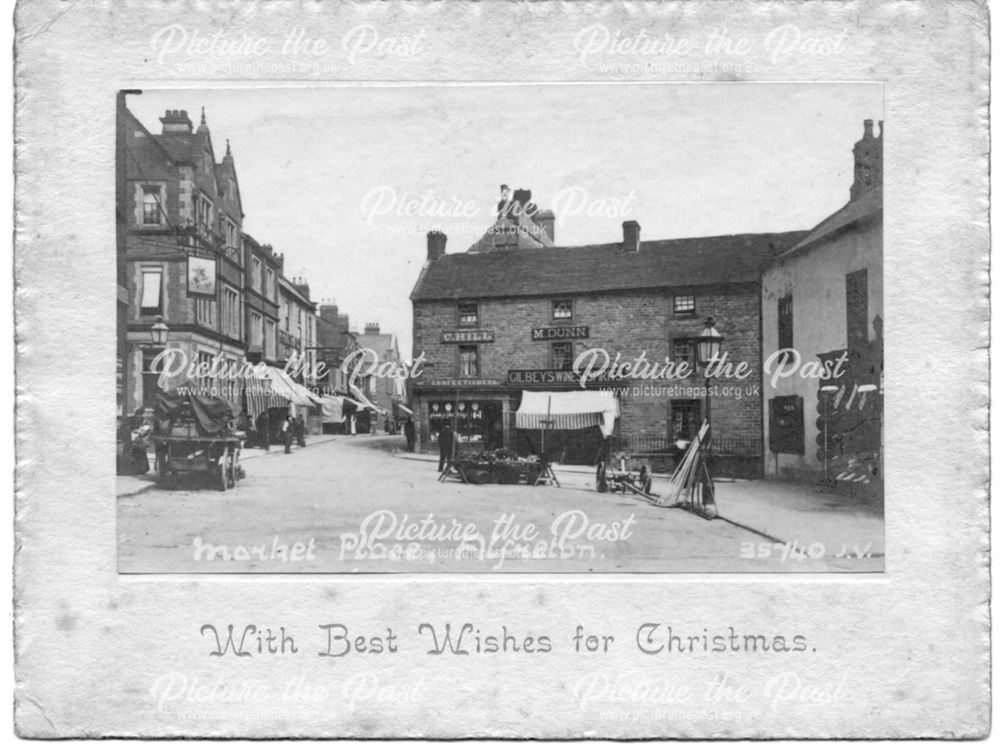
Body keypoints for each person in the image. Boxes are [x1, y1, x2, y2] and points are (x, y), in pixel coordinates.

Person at [130, 409, 154, 475]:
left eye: (140, 415)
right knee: (138, 454)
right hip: (139, 439)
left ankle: (142, 469)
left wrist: (137, 432)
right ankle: (139, 469)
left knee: (141, 453)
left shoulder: (147, 422)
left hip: (143, 440)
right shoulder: (140, 421)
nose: (138, 416)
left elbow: (146, 430)